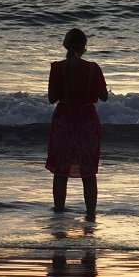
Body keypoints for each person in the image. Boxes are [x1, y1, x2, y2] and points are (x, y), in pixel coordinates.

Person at [46, 28, 108, 216]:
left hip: (63, 119)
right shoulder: (93, 69)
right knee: (88, 173)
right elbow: (104, 97)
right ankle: (90, 216)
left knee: (60, 172)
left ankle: (58, 213)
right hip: (87, 120)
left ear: (65, 45)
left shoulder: (57, 68)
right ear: (84, 47)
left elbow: (51, 98)